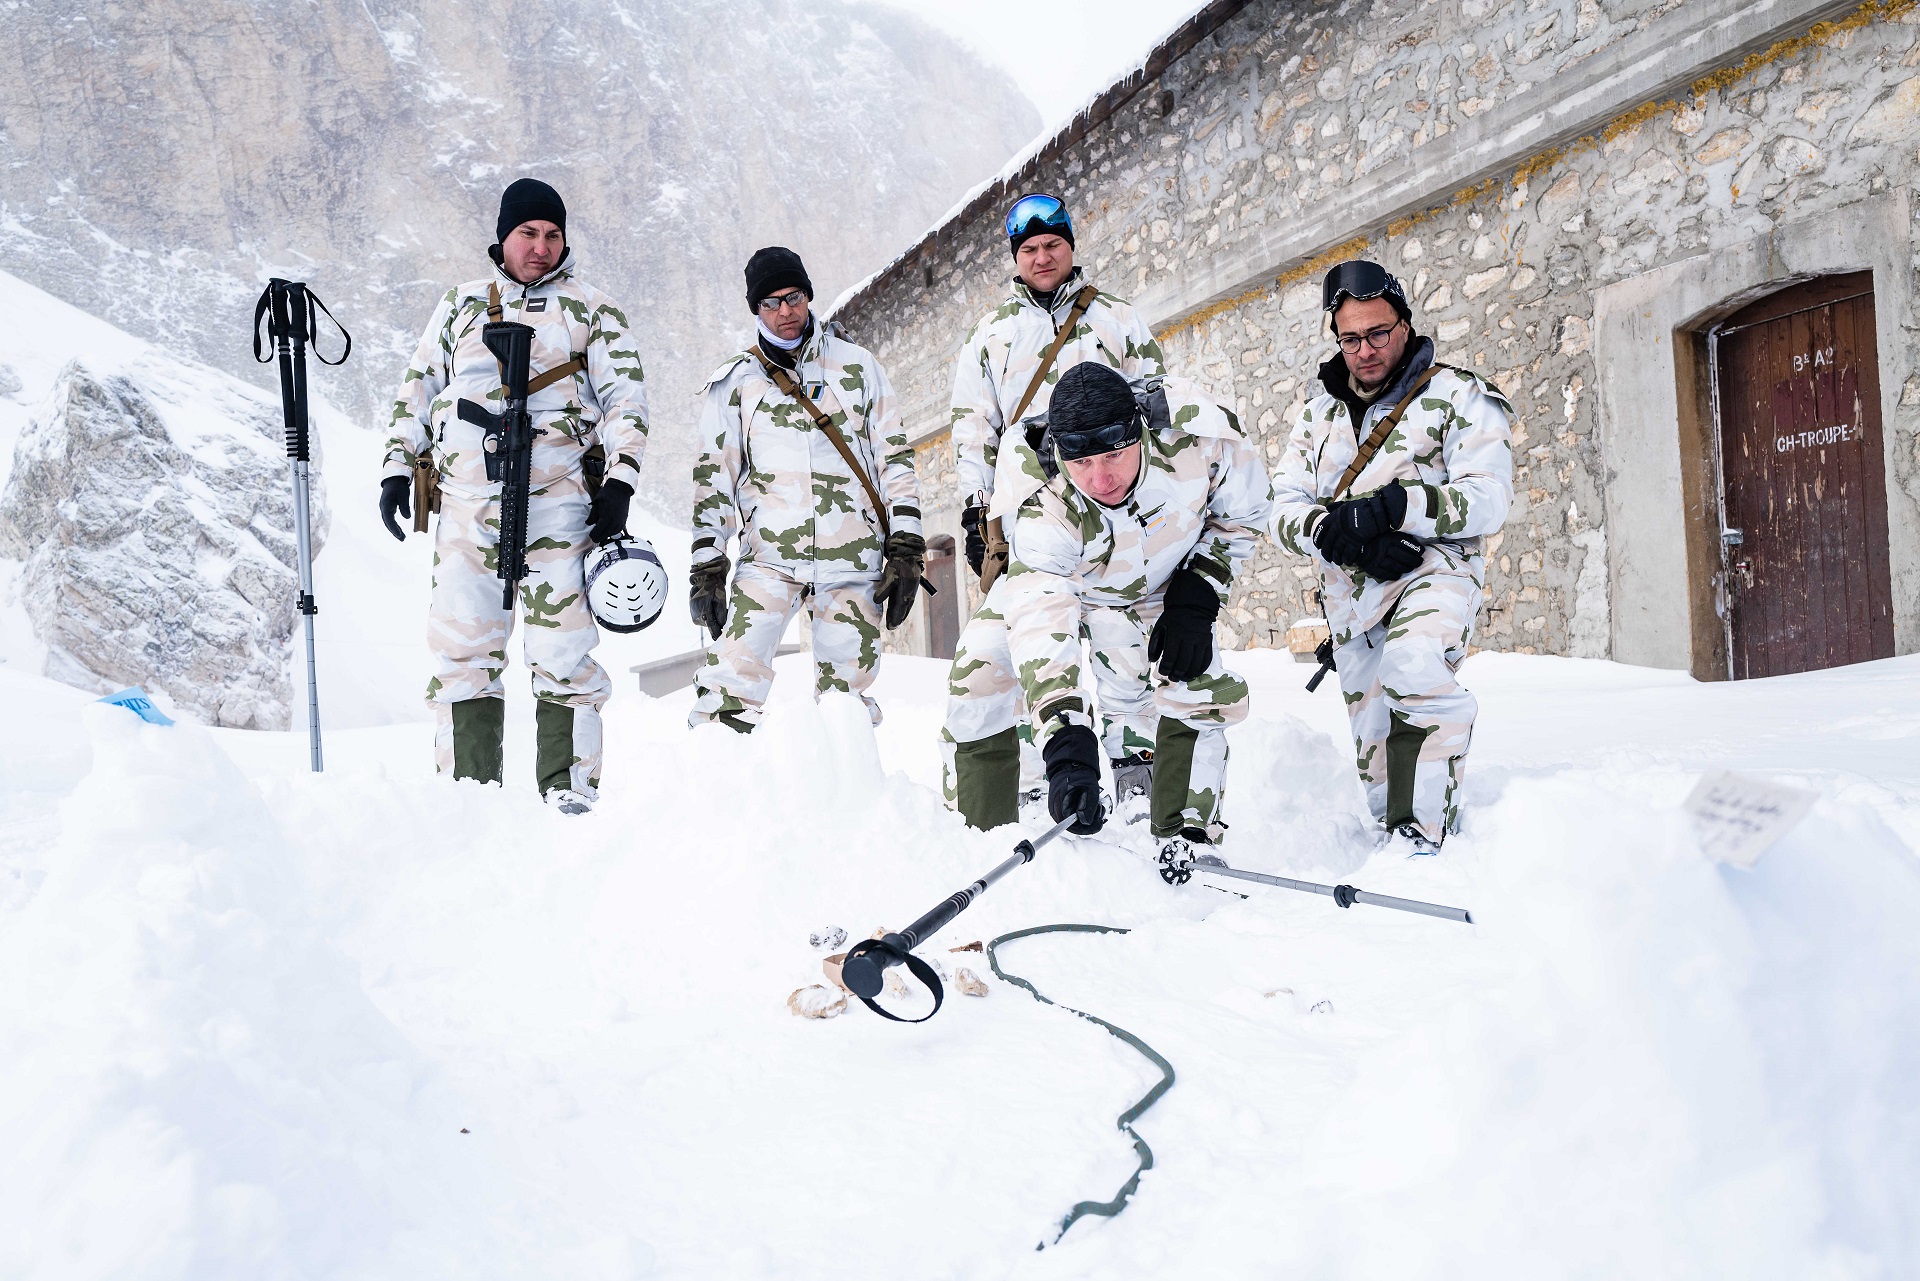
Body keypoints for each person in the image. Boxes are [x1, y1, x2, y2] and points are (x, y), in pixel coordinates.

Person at [379, 178, 649, 815]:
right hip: (471, 506)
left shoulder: (594, 311)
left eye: (553, 235)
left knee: (565, 656)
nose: (541, 247)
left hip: (559, 506)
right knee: (464, 657)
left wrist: (621, 482)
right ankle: (468, 807)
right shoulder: (461, 305)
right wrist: (396, 466)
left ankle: (569, 802)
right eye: (528, 233)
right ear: (503, 236)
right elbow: (417, 388)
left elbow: (627, 403)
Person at [943, 362, 1271, 850]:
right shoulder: (1041, 496)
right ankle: (981, 834)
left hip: (1165, 585)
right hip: (1072, 583)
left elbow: (1243, 516)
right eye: (1081, 464)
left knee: (1192, 680)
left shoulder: (1198, 436)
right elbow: (1040, 615)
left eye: (1114, 455)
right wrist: (1065, 746)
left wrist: (1199, 593)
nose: (1100, 479)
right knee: (979, 669)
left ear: (1138, 431)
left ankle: (1185, 833)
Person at [1269, 260, 1514, 854]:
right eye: (1350, 338)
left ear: (1405, 324)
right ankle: (1396, 829)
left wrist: (1401, 507)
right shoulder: (1317, 416)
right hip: (1352, 598)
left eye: (1379, 332)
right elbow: (1281, 506)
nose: (1366, 350)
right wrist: (1332, 535)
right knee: (1378, 766)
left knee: (1416, 663)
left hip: (1434, 571)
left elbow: (1490, 499)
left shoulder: (1459, 396)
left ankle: (1424, 836)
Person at [944, 193, 1168, 802]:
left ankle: (1140, 780)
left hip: (1114, 506)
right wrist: (974, 508)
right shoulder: (991, 335)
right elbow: (974, 428)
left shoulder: (1116, 319)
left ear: (1071, 246)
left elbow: (1156, 402)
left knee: (1126, 648)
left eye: (1053, 245)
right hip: (1026, 510)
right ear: (1015, 260)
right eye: (1029, 250)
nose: (1043, 258)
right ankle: (1033, 775)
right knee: (1018, 637)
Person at [686, 246, 923, 732]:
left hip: (852, 562)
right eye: (770, 302)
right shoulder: (735, 383)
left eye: (793, 297)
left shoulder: (857, 368)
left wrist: (906, 547)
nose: (785, 311)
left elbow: (894, 458)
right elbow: (714, 478)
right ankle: (718, 789)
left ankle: (846, 800)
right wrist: (707, 565)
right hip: (769, 563)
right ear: (756, 309)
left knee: (847, 707)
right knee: (727, 691)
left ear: (808, 296)